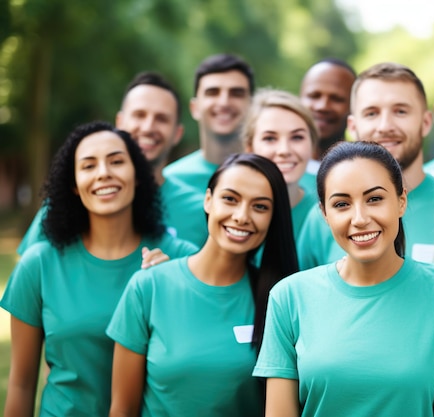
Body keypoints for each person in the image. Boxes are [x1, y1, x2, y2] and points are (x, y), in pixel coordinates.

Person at [253, 141, 434, 417]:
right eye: (342, 204)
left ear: (401, 201)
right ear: (324, 214)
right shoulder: (288, 297)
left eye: (374, 199)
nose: (360, 218)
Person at [0, 121, 197, 416]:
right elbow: (21, 384)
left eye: (116, 161)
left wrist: (173, 291)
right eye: (88, 166)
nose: (104, 172)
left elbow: (202, 366)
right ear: (74, 185)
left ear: (138, 175)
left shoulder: (179, 258)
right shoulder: (39, 263)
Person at [107, 153, 298, 416]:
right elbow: (122, 410)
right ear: (208, 200)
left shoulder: (279, 300)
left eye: (260, 207)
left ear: (273, 217)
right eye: (230, 199)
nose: (242, 216)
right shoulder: (148, 287)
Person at [17, 71, 208, 252]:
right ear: (120, 122)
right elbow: (30, 273)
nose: (148, 127)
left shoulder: (201, 213)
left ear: (178, 133)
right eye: (139, 115)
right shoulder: (70, 203)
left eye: (162, 119)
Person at [297, 62, 434, 269]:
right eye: (371, 113)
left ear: (426, 123)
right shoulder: (323, 218)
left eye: (400, 111)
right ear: (352, 126)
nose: (385, 127)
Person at [164, 53, 254, 194]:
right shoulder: (169, 181)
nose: (224, 102)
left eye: (236, 93)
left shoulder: (278, 179)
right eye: (213, 92)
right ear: (194, 108)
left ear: (252, 106)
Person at [242, 88, 319, 240]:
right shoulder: (234, 216)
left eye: (297, 137)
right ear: (250, 148)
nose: (284, 150)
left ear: (312, 144)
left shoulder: (328, 211)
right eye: (270, 138)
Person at [299, 58, 356, 162]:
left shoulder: (363, 167)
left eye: (337, 99)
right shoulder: (274, 167)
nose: (323, 106)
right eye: (314, 96)